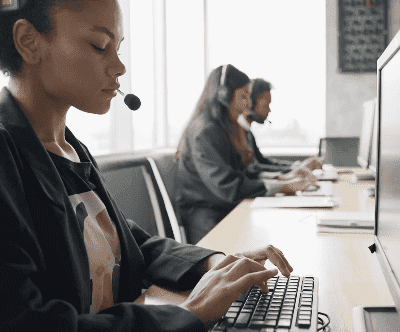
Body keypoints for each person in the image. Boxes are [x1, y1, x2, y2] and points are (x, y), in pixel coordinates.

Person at [0, 1, 294, 331]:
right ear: (28, 41)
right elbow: (24, 322)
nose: (120, 67)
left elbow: (126, 243)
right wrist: (190, 312)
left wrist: (215, 262)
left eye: (118, 48)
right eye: (100, 46)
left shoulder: (71, 149)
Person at [174, 65, 312, 245]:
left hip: (224, 208)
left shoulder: (225, 128)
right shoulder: (205, 131)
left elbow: (247, 171)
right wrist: (282, 186)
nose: (249, 104)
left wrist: (283, 181)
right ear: (223, 95)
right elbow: (229, 186)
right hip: (208, 214)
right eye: (244, 96)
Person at [243, 78, 324, 181]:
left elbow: (262, 161)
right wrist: (294, 169)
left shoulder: (247, 131)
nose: (269, 110)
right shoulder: (239, 132)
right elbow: (254, 168)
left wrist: (295, 167)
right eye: (266, 105)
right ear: (251, 102)